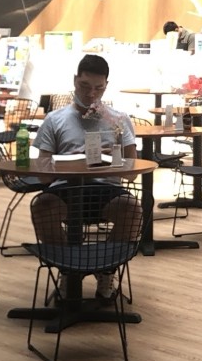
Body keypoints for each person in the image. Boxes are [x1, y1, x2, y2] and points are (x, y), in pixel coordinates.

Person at [29, 53, 139, 300]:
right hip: (64, 189)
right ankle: (68, 270)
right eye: (84, 86)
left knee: (132, 210)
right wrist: (72, 160)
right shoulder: (55, 119)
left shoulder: (119, 119)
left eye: (98, 88)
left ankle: (106, 270)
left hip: (106, 189)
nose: (91, 94)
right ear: (74, 81)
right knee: (42, 207)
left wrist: (115, 153)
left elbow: (132, 172)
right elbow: (43, 175)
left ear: (106, 86)